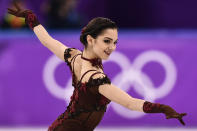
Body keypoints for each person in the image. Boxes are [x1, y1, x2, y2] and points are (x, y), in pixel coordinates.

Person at [7, 3, 187, 131]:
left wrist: (32, 19)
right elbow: (130, 103)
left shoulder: (74, 57)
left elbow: (48, 41)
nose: (112, 47)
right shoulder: (95, 79)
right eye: (107, 41)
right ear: (91, 40)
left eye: (115, 42)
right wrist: (163, 109)